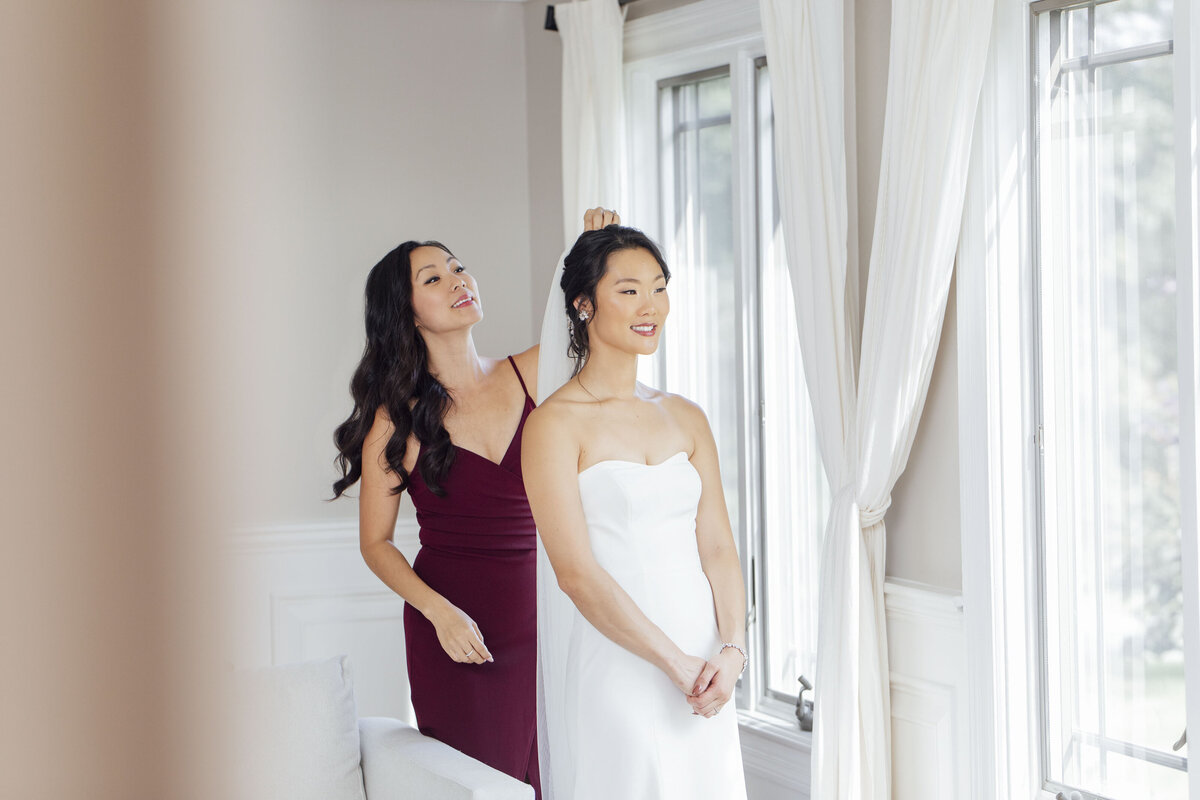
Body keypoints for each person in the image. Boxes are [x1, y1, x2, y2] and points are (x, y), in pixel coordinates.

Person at [330, 209, 619, 798]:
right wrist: (439, 612)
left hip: (545, 612)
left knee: (561, 772)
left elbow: (597, 323)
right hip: (455, 632)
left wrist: (595, 247)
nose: (459, 280)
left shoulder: (534, 374)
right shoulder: (395, 417)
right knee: (475, 782)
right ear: (404, 313)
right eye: (433, 278)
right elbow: (375, 543)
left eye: (458, 267)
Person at [522, 225, 748, 799]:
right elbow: (575, 574)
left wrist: (731, 650)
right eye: (628, 291)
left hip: (706, 664)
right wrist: (673, 663)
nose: (650, 307)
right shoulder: (554, 425)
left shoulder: (686, 416)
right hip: (619, 661)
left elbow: (718, 547)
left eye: (659, 287)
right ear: (582, 303)